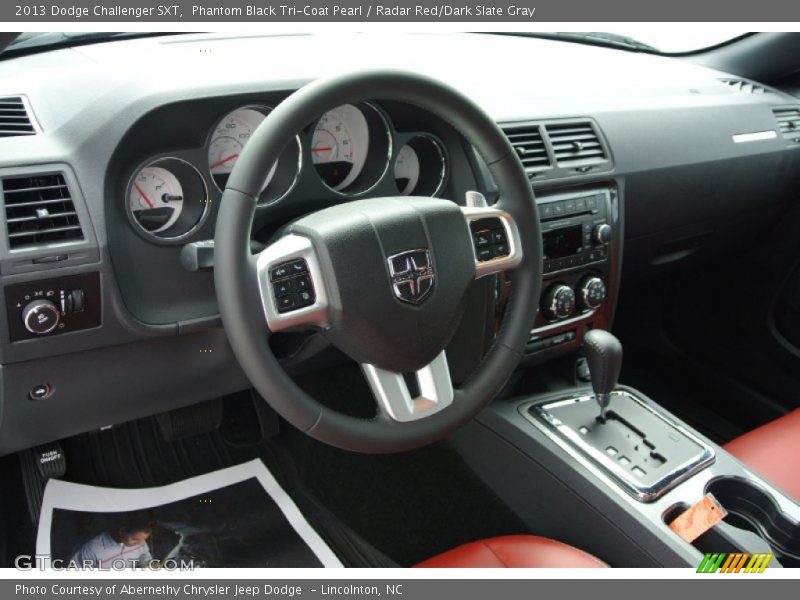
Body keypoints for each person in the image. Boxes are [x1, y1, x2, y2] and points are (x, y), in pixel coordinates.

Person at [70, 517, 154, 569]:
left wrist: (148, 564)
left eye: (143, 539)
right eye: (134, 539)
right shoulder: (90, 550)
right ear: (122, 531)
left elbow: (144, 555)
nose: (139, 543)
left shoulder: (139, 540)